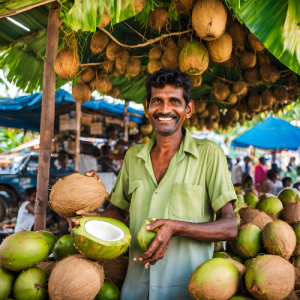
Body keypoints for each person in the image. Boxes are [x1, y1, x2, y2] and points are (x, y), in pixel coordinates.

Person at [68, 68, 237, 300]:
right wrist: (88, 215)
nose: (165, 109)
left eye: (174, 101)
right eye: (157, 101)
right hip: (136, 290)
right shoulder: (133, 156)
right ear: (147, 106)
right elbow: (117, 213)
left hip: (187, 291)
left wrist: (178, 227)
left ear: (188, 109)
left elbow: (229, 226)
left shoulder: (210, 154)